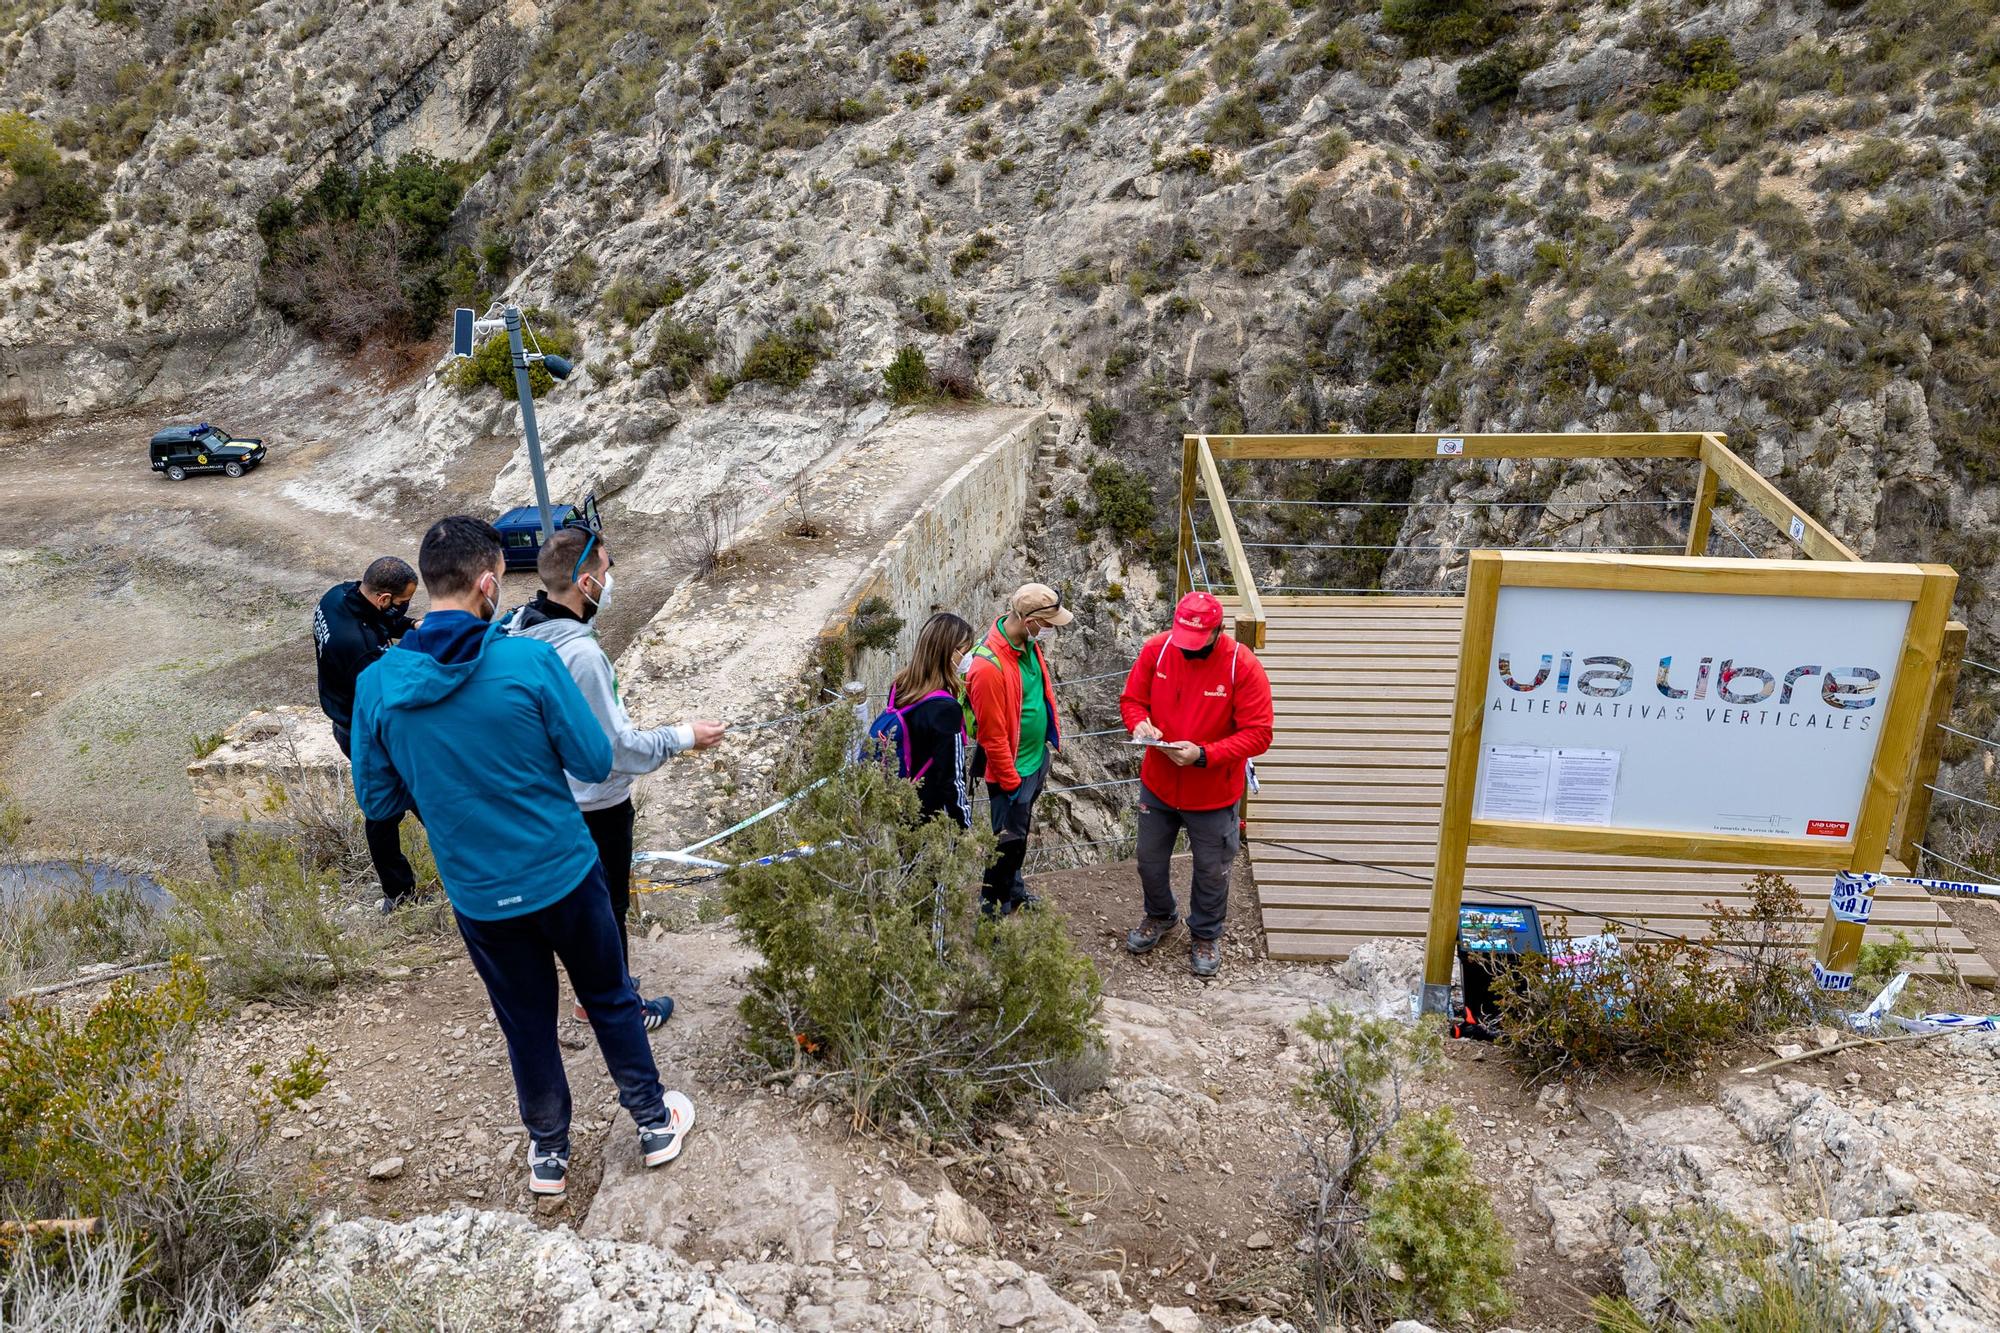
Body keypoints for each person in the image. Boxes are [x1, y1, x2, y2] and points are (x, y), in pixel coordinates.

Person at [350, 516, 695, 1198]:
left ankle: (548, 1154)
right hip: (563, 871)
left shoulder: (377, 686)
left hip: (479, 891)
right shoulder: (529, 661)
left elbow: (379, 799)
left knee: (525, 1019)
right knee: (607, 994)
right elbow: (595, 758)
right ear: (486, 582)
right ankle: (654, 1124)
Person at [504, 525, 725, 1030]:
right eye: (605, 571)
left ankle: (597, 990)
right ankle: (613, 1004)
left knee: (581, 905)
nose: (610, 579)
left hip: (549, 796)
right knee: (606, 908)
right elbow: (614, 749)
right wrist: (683, 736)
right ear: (585, 581)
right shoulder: (580, 655)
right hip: (594, 803)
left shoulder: (521, 625)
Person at [1118, 590, 1273, 978]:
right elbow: (1132, 700)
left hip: (1214, 793)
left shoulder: (1243, 666)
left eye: (1196, 643)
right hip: (1159, 783)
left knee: (1212, 869)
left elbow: (1259, 734)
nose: (1187, 650)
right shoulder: (1157, 649)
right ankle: (1160, 914)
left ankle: (1205, 933)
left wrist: (1203, 755)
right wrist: (1139, 723)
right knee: (1148, 860)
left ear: (1218, 631)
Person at [314, 556, 421, 913]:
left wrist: (409, 624)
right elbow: (390, 694)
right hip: (366, 730)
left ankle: (401, 891)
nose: (404, 608)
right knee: (391, 807)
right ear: (384, 599)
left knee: (401, 802)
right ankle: (401, 893)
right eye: (403, 602)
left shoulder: (336, 596)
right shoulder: (359, 647)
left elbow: (377, 620)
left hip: (343, 719)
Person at [965, 583, 1071, 914]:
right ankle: (992, 914)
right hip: (1011, 774)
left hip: (1033, 761)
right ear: (1029, 620)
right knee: (1004, 847)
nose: (1052, 630)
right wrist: (1011, 781)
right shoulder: (987, 668)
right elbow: (992, 737)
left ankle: (1014, 890)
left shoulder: (1024, 643)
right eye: (1049, 623)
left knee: (1016, 842)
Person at [883, 611, 976, 828]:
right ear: (948, 653)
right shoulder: (946, 709)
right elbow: (952, 778)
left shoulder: (901, 686)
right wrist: (965, 828)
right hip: (934, 816)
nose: (968, 658)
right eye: (965, 652)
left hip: (904, 808)